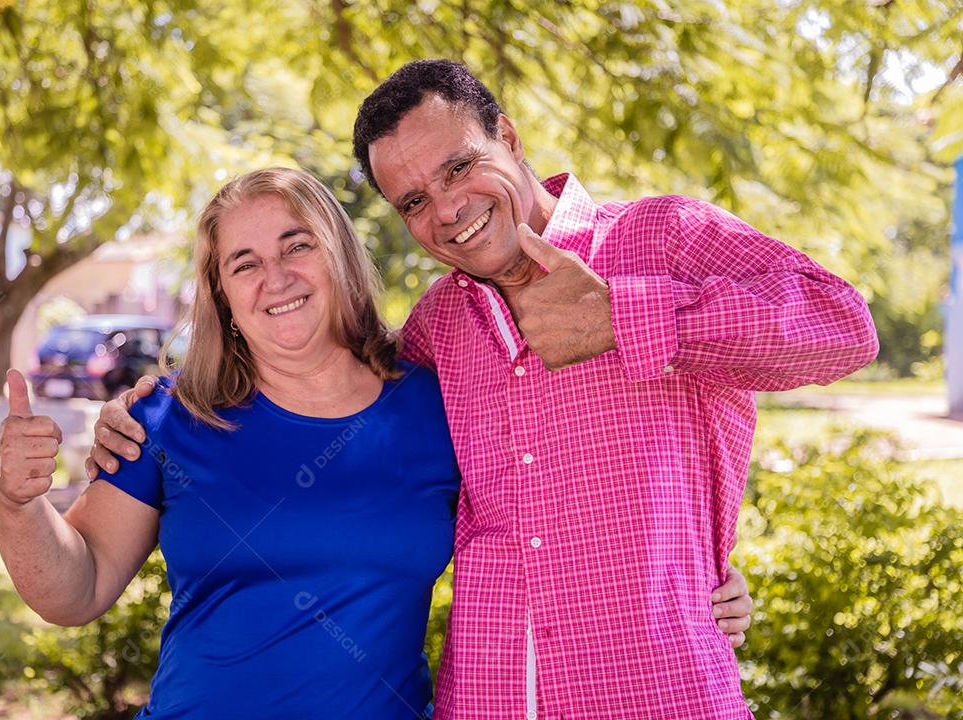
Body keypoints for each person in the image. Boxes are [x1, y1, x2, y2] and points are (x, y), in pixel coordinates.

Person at [84, 61, 811, 716]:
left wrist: (625, 319)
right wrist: (152, 412)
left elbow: (839, 325)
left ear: (510, 137)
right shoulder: (440, 326)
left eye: (460, 167)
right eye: (413, 201)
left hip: (654, 692)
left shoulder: (660, 238)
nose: (447, 208)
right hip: (486, 697)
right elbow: (335, 405)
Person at [0, 168, 462, 718]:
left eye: (298, 245)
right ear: (223, 296)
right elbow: (78, 590)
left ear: (340, 254)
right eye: (245, 264)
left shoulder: (438, 405)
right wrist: (17, 503)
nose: (277, 277)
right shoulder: (167, 416)